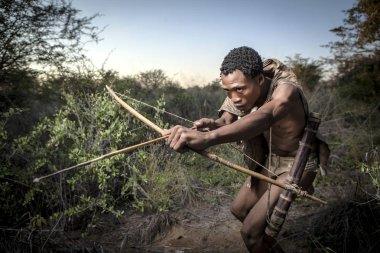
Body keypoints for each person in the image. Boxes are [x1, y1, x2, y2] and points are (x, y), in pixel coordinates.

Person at [163, 46, 322, 252]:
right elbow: (226, 119)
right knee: (239, 210)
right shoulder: (239, 87)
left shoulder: (285, 91)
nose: (234, 97)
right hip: (272, 161)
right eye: (228, 90)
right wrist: (213, 124)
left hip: (298, 164)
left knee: (250, 234)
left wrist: (209, 138)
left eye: (240, 89)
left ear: (259, 81)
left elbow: (268, 114)